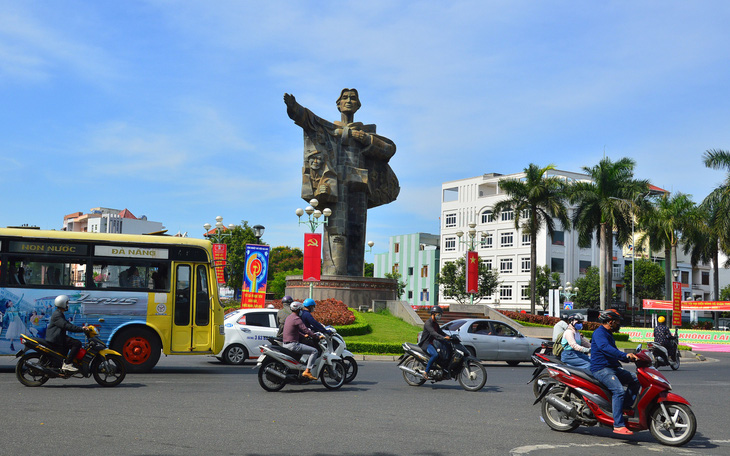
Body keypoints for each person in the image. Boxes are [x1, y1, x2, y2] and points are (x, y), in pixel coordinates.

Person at [590, 309, 640, 436]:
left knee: (636, 379)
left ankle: (625, 407)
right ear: (610, 321)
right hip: (601, 369)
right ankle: (618, 425)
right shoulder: (599, 333)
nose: (619, 324)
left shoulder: (608, 334)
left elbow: (614, 351)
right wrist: (624, 355)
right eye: (617, 321)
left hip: (612, 368)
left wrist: (628, 357)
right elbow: (605, 348)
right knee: (618, 391)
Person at [282, 301, 323, 380]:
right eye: (300, 309)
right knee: (314, 351)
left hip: (286, 344)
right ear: (297, 310)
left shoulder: (289, 317)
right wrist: (316, 337)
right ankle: (307, 371)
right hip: (293, 345)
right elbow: (306, 329)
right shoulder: (297, 318)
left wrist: (303, 336)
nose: (301, 311)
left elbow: (295, 331)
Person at [46, 295, 88, 373]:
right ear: (62, 303)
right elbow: (66, 326)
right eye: (67, 303)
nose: (68, 305)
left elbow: (67, 324)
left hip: (58, 336)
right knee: (77, 343)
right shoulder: (57, 315)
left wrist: (81, 328)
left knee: (70, 344)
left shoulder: (59, 313)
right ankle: (67, 364)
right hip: (56, 338)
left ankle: (65, 362)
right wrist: (81, 329)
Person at [417, 306, 450, 380]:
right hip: (426, 344)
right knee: (435, 355)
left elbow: (440, 332)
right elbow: (433, 333)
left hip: (433, 343)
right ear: (433, 314)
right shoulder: (428, 323)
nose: (439, 316)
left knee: (442, 354)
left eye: (440, 315)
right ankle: (426, 372)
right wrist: (443, 338)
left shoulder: (435, 323)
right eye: (438, 314)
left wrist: (449, 336)